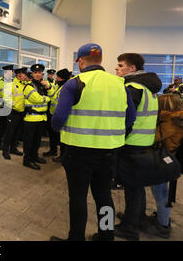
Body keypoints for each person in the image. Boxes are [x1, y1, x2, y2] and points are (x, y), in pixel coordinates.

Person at [50, 43, 136, 241]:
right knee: (104, 196)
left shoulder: (75, 83)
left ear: (81, 61)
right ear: (100, 59)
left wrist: (59, 128)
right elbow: (130, 118)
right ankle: (107, 236)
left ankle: (76, 238)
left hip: (79, 152)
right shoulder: (120, 84)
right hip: (109, 152)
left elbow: (58, 120)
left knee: (78, 198)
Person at [113, 53, 161, 241]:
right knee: (137, 185)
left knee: (131, 186)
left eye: (120, 65)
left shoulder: (132, 88)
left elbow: (126, 119)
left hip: (131, 143)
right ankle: (137, 217)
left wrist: (116, 139)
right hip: (144, 142)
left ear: (132, 69)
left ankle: (129, 229)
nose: (117, 68)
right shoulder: (149, 88)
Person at [145, 94, 183, 238]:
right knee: (163, 193)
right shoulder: (177, 119)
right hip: (169, 160)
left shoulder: (170, 121)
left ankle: (163, 225)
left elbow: (152, 138)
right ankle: (162, 218)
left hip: (161, 161)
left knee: (161, 194)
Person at [22, 64, 53, 170]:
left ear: (42, 74)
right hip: (31, 118)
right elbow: (38, 99)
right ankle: (27, 160)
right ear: (32, 74)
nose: (38, 75)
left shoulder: (44, 84)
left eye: (39, 73)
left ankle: (34, 157)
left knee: (37, 141)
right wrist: (47, 97)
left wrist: (48, 87)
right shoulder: (29, 86)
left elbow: (53, 95)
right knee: (29, 142)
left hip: (41, 118)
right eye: (35, 73)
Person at [1, 67, 28, 160]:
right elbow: (6, 98)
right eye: (24, 74)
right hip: (12, 112)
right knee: (9, 133)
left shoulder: (24, 85)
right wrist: (13, 105)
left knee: (17, 132)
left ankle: (13, 148)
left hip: (21, 112)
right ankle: (5, 151)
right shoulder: (10, 84)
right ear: (19, 75)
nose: (26, 75)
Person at [47, 68, 72, 163]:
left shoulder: (66, 87)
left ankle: (63, 156)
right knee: (53, 135)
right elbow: (53, 96)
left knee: (61, 139)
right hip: (53, 114)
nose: (56, 78)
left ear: (62, 78)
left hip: (61, 116)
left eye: (57, 76)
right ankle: (52, 151)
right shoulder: (58, 85)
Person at [0, 65, 14, 150]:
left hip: (10, 106)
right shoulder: (1, 82)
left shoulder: (12, 81)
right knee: (2, 126)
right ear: (6, 72)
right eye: (9, 72)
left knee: (8, 126)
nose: (11, 73)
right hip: (3, 106)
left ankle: (5, 142)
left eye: (12, 71)